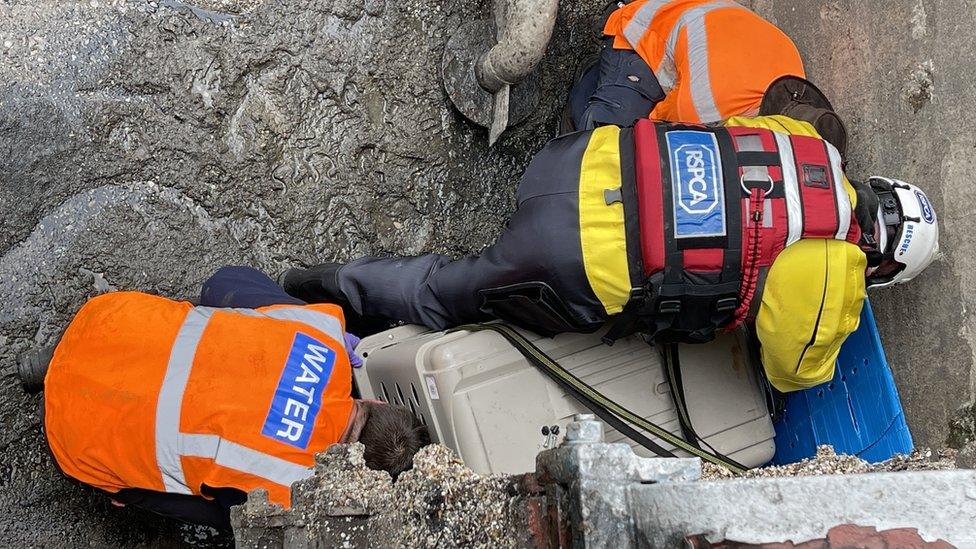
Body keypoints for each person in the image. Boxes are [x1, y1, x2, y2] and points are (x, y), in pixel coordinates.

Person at [279, 115, 939, 394]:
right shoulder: (832, 272)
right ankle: (310, 288)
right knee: (446, 294)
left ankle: (310, 280)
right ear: (882, 265)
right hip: (572, 258)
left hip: (578, 157)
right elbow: (791, 371)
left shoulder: (809, 145)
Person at [17, 266, 429, 530]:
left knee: (224, 313)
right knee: (220, 512)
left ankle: (54, 360)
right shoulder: (288, 485)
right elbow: (228, 516)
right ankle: (111, 480)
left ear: (373, 403)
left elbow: (225, 280)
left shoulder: (322, 333)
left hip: (103, 323)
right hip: (72, 438)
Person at [568, 0, 847, 159]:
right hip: (637, 30)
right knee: (608, 143)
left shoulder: (792, 70)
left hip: (678, 14)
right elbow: (652, 132)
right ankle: (593, 83)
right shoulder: (708, 106)